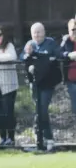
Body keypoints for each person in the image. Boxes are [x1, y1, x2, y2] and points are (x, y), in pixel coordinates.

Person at [21, 22, 62, 151]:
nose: (37, 35)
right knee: (39, 111)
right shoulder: (30, 44)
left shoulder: (50, 43)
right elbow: (21, 57)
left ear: (44, 32)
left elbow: (58, 55)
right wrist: (27, 55)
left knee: (42, 110)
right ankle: (43, 140)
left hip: (48, 83)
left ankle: (46, 137)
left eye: (39, 32)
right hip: (35, 84)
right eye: (34, 32)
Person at [60, 18, 76, 115]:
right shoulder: (66, 40)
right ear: (68, 31)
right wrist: (68, 54)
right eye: (73, 29)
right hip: (71, 79)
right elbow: (59, 52)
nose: (75, 32)